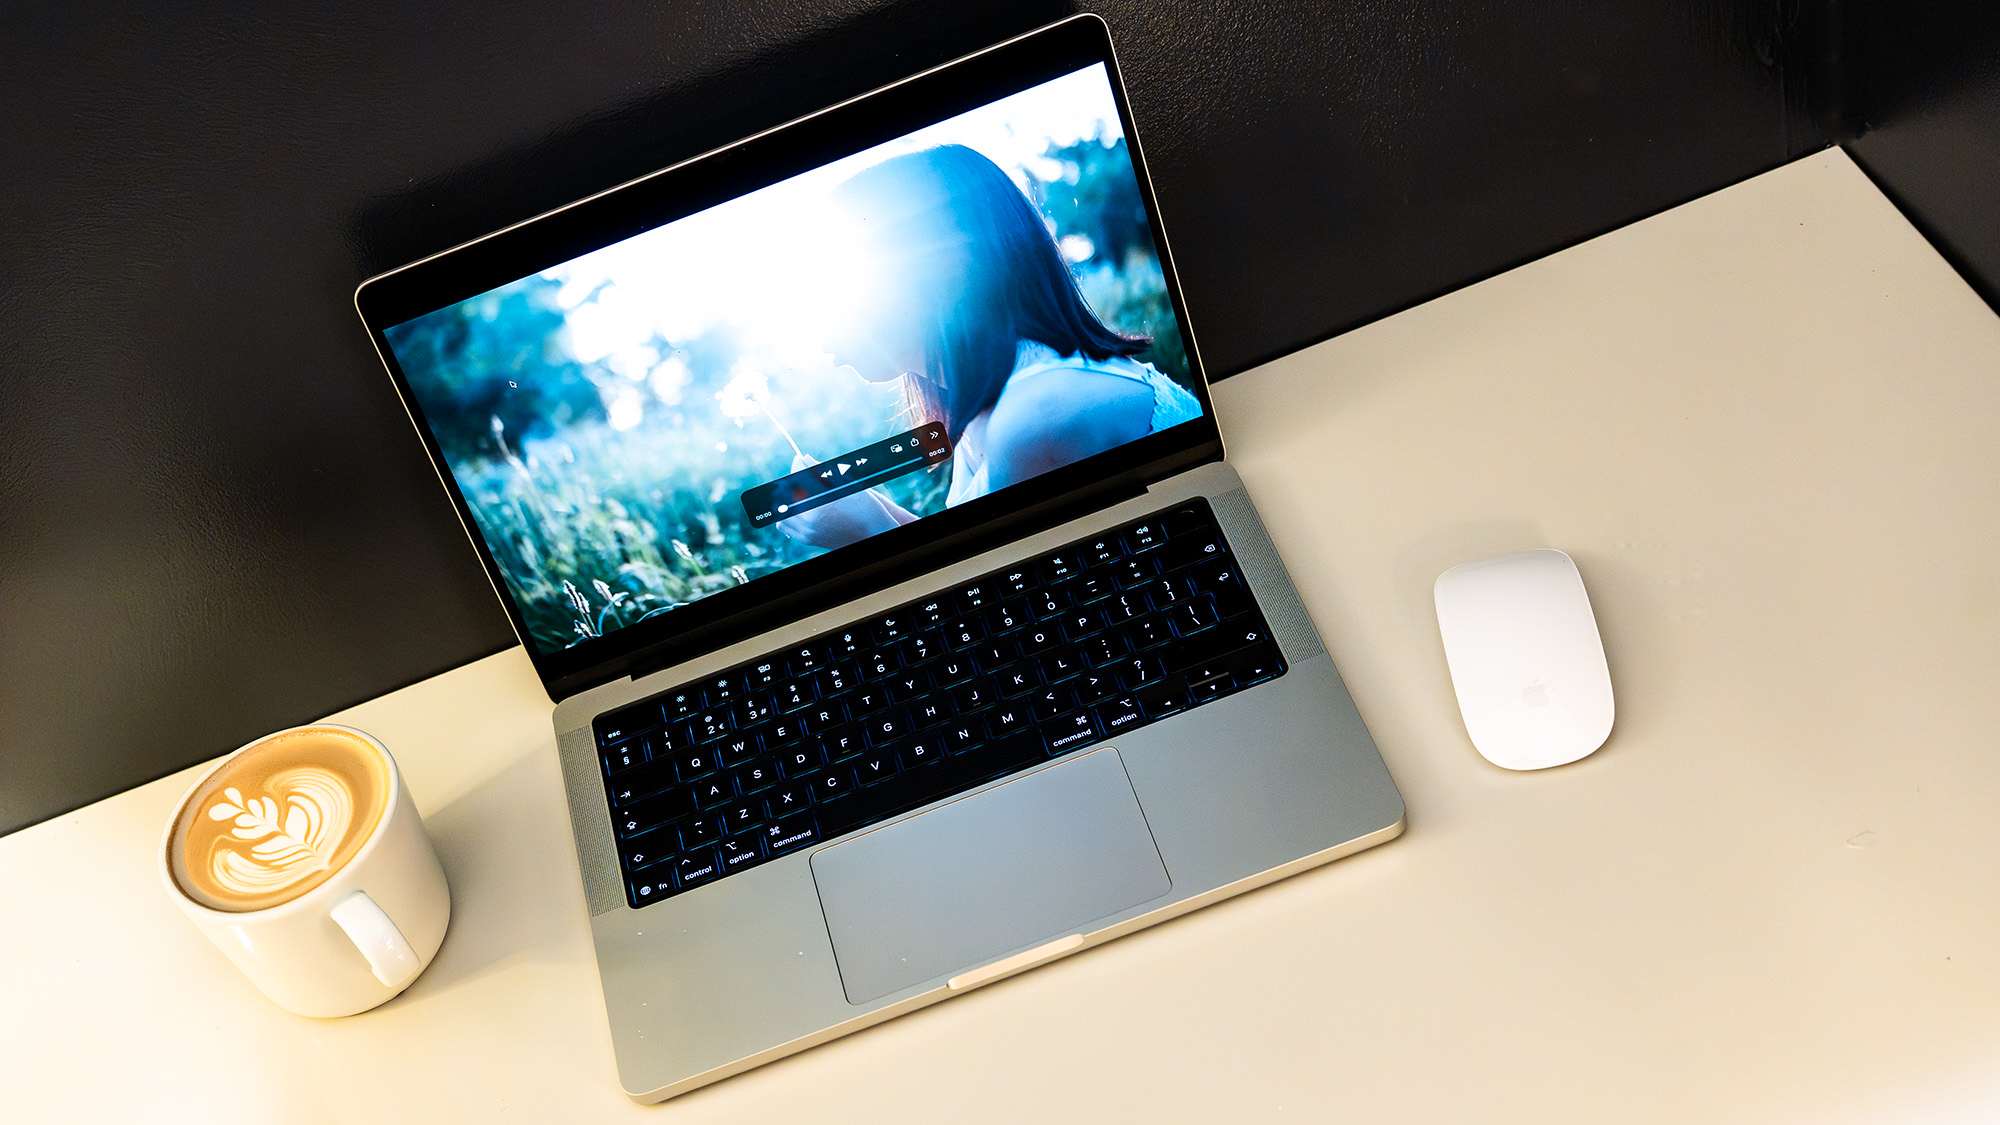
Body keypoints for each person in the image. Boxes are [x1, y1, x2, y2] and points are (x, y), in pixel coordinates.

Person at [779, 143, 1200, 550]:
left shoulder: (1035, 417)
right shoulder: (994, 396)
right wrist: (872, 510)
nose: (823, 339)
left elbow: (1010, 592)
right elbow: (978, 546)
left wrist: (867, 533)